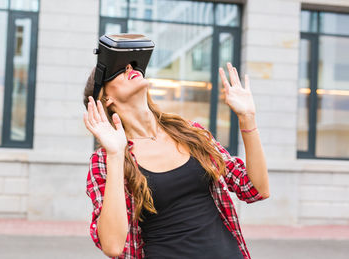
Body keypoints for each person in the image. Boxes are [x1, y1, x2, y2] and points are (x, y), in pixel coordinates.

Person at [83, 62, 270, 259]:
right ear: (106, 98)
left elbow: (255, 189)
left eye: (131, 65)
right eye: (119, 70)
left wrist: (247, 118)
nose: (130, 68)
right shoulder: (106, 159)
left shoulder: (189, 132)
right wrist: (115, 154)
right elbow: (113, 246)